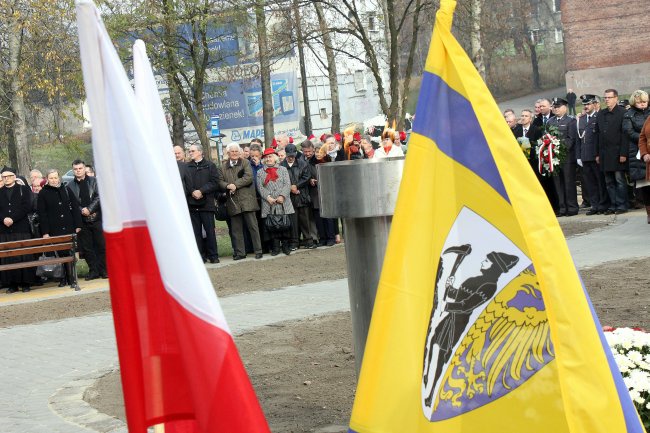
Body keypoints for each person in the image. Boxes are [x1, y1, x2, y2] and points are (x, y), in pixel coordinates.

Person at [218, 143, 263, 260]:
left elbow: (248, 177)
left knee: (253, 226)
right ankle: (240, 253)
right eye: (232, 151)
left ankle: (258, 250)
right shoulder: (223, 166)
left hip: (247, 199)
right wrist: (228, 186)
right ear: (228, 153)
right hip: (233, 201)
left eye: (236, 151)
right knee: (236, 229)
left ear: (239, 152)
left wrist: (235, 185)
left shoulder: (245, 162)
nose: (234, 153)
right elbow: (219, 181)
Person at [38, 169, 82, 287]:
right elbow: (42, 214)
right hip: (54, 227)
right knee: (59, 253)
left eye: (55, 177)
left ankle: (72, 277)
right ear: (47, 179)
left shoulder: (66, 189)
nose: (53, 180)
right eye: (51, 178)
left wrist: (78, 225)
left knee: (70, 252)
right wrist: (45, 232)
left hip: (69, 225)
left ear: (59, 178)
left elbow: (75, 207)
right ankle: (62, 277)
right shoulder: (43, 193)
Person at [67, 159, 107, 280]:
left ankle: (104, 270)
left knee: (101, 245)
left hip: (96, 218)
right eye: (75, 169)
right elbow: (71, 202)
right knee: (87, 247)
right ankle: (93, 271)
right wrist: (81, 210)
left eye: (80, 168)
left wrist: (90, 209)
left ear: (84, 169)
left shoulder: (95, 181)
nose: (78, 171)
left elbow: (99, 196)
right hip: (82, 220)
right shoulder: (70, 186)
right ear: (73, 170)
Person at [0, 166, 37, 293]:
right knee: (8, 257)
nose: (6, 179)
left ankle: (26, 283)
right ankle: (12, 284)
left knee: (24, 255)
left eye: (9, 176)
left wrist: (12, 218)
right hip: (4, 230)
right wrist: (4, 219)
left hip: (21, 228)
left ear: (14, 177)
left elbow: (26, 206)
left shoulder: (24, 189)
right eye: (4, 177)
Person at [595, 89, 628, 214]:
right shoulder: (601, 114)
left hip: (617, 152)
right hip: (604, 153)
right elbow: (597, 135)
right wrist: (597, 153)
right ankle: (613, 205)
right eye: (605, 97)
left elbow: (625, 135)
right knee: (608, 181)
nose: (607, 100)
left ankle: (622, 205)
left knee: (619, 180)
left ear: (616, 98)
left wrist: (623, 153)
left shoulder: (622, 113)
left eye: (609, 97)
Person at [186, 143, 221, 263]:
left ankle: (213, 256)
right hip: (192, 203)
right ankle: (200, 256)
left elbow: (215, 182)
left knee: (210, 231)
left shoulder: (210, 165)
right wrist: (192, 191)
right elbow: (185, 183)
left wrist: (202, 191)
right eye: (189, 151)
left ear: (200, 152)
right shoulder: (187, 167)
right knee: (196, 233)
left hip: (207, 204)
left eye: (192, 151)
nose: (190, 153)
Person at [257, 148, 295, 255]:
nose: (268, 159)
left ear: (275, 158)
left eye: (270, 157)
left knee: (285, 224)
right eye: (266, 157)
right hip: (269, 202)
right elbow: (260, 187)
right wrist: (268, 197)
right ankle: (276, 248)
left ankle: (286, 247)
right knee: (272, 226)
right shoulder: (260, 172)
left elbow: (287, 184)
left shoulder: (283, 169)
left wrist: (282, 196)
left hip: (283, 201)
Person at [577, 95, 608, 215]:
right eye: (584, 104)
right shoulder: (582, 119)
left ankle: (602, 204)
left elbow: (600, 138)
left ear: (594, 104)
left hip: (595, 155)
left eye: (588, 104)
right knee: (590, 183)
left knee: (600, 181)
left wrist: (599, 154)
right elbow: (578, 139)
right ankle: (594, 205)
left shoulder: (599, 117)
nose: (586, 106)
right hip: (585, 156)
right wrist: (579, 156)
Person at [548, 97, 578, 216]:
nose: (556, 109)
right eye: (554, 107)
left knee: (569, 183)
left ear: (565, 107)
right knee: (558, 184)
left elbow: (571, 140)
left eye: (558, 107)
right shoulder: (550, 122)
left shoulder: (570, 121)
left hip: (567, 158)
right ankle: (562, 208)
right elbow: (547, 137)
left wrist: (557, 145)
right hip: (554, 158)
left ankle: (572, 207)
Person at [281, 143, 314, 250]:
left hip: (301, 195)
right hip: (289, 197)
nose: (291, 157)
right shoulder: (281, 166)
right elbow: (280, 180)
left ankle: (308, 240)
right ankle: (294, 242)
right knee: (293, 221)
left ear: (295, 154)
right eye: (289, 155)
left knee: (304, 220)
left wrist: (296, 185)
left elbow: (306, 177)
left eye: (292, 155)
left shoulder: (303, 164)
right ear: (286, 154)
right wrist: (290, 187)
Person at [622, 90, 650, 209]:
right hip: (637, 149)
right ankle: (647, 207)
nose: (643, 104)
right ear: (634, 102)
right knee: (643, 181)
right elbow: (629, 131)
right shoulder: (629, 114)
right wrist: (645, 139)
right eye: (640, 102)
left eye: (645, 102)